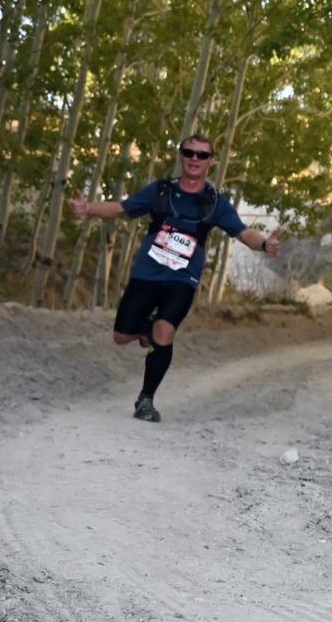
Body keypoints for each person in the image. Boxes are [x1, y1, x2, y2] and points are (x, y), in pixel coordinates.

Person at [72, 134, 281, 422]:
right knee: (121, 336)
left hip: (183, 278)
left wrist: (264, 245)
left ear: (210, 161)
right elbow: (122, 208)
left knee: (165, 332)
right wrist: (88, 209)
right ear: (181, 156)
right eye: (189, 153)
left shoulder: (215, 202)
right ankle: (146, 331)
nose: (195, 159)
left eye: (202, 155)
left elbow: (243, 233)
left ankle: (146, 399)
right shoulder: (161, 191)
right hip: (147, 273)